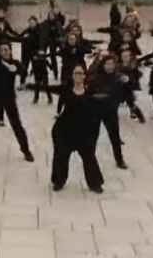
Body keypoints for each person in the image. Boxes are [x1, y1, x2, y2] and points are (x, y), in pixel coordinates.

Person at [28, 64, 104, 193]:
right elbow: (48, 88)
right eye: (76, 73)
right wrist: (31, 86)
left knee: (88, 156)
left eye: (80, 73)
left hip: (83, 131)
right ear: (72, 76)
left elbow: (99, 108)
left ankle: (95, 183)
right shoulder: (66, 89)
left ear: (85, 76)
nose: (78, 76)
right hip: (65, 130)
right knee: (61, 156)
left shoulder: (91, 92)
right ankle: (59, 181)